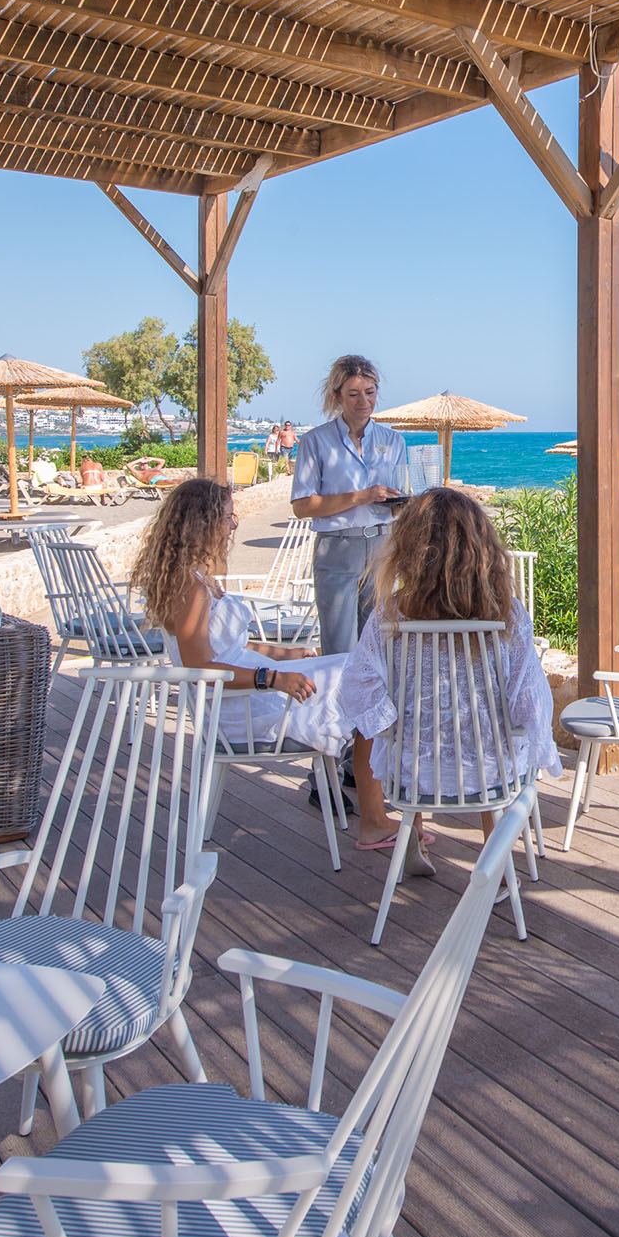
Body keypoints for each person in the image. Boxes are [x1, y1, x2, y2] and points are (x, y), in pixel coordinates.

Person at [337, 488, 559, 872]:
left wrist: (391, 726)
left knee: (414, 723)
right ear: (481, 545)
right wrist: (527, 736)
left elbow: (358, 685)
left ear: (410, 546)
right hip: (489, 771)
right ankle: (496, 864)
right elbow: (529, 700)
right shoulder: (508, 615)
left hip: (413, 771)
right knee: (499, 745)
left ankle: (414, 833)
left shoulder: (391, 615)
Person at [133, 477, 349, 753]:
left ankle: (345, 782)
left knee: (352, 667)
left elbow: (231, 648)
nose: (233, 525)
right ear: (201, 524)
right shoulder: (190, 588)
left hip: (246, 688)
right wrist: (272, 678)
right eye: (226, 517)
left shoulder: (200, 577)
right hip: (241, 708)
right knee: (358, 677)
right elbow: (199, 669)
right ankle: (367, 784)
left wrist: (286, 653)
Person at [290, 356, 407, 658]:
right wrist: (360, 496)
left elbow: (398, 500)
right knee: (339, 647)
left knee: (378, 646)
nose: (363, 401)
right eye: (353, 394)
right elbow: (302, 506)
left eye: (369, 392)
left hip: (382, 547)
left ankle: (375, 706)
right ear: (337, 395)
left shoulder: (393, 441)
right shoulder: (315, 442)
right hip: (337, 547)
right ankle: (336, 705)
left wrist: (405, 504)